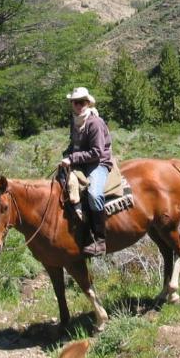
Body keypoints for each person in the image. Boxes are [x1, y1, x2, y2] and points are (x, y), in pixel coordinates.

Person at [60, 87, 113, 257]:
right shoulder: (74, 121)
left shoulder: (94, 123)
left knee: (94, 194)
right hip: (82, 161)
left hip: (98, 162)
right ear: (72, 104)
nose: (79, 105)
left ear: (88, 103)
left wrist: (73, 158)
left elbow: (97, 152)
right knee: (61, 183)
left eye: (82, 102)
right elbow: (73, 145)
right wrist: (67, 155)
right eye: (76, 102)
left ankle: (100, 240)